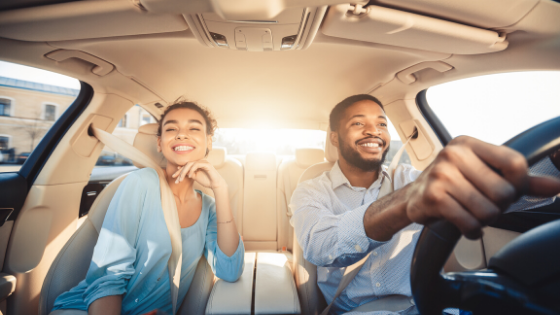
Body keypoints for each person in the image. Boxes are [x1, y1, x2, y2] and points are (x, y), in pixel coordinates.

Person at [290, 94, 560, 315]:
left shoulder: (409, 178)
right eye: (358, 124)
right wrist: (403, 203)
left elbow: (491, 194)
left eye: (382, 124)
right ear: (335, 137)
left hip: (427, 302)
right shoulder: (310, 190)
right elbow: (320, 245)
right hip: (356, 310)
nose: (374, 130)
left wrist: (553, 163)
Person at [52, 101, 245, 315]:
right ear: (160, 143)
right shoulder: (140, 183)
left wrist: (221, 189)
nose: (181, 135)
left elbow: (230, 270)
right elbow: (108, 276)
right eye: (171, 129)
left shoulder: (209, 207)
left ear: (208, 141)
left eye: (194, 128)